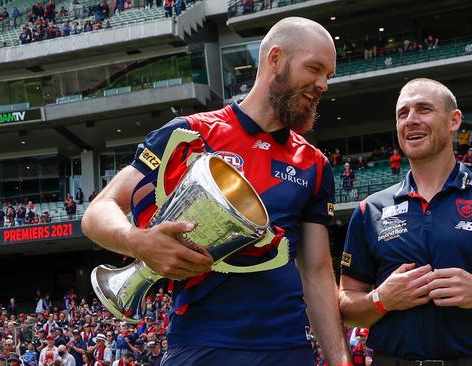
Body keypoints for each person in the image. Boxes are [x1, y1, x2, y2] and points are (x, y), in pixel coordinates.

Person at [81, 17, 351, 366]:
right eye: (314, 69)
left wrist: (341, 361)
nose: (323, 84)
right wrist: (138, 241)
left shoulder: (313, 164)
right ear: (275, 59)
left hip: (287, 350)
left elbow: (316, 273)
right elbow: (99, 211)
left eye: (328, 74)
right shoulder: (189, 134)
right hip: (201, 347)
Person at [338, 78, 472, 364]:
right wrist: (381, 299)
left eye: (423, 109)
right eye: (403, 113)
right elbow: (346, 306)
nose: (411, 120)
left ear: (454, 120)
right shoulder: (369, 210)